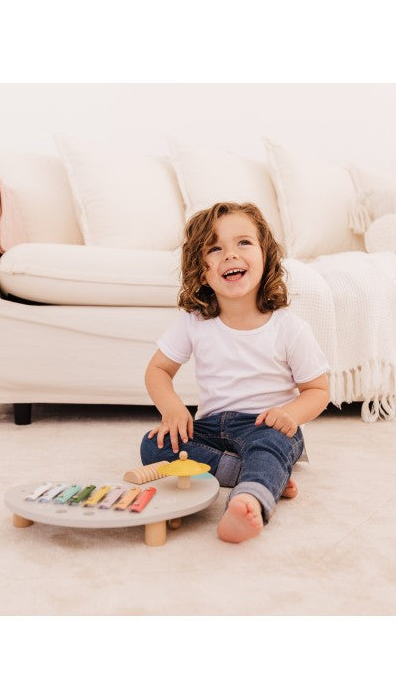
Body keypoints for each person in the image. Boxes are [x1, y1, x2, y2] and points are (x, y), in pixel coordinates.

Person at [140, 201, 330, 543]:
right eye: (215, 248)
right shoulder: (194, 323)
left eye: (243, 243)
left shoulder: (290, 328)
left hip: (266, 426)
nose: (230, 255)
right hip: (211, 427)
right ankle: (257, 473)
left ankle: (248, 499)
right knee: (153, 446)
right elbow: (157, 370)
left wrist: (289, 415)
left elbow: (318, 389)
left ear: (266, 256)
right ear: (202, 271)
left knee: (271, 445)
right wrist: (172, 409)